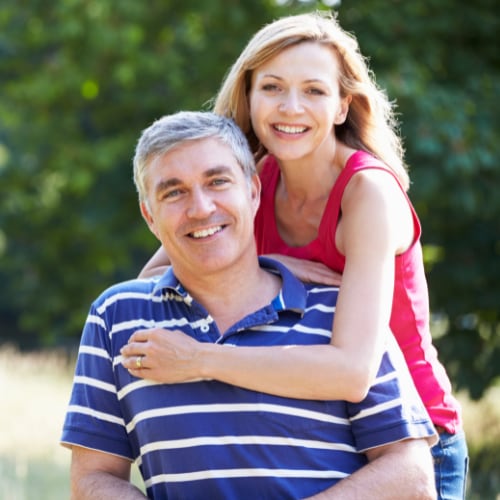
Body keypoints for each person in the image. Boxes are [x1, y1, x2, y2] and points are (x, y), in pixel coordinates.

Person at [131, 12, 468, 499]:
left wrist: (202, 359)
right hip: (314, 424)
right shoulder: (252, 181)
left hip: (407, 441)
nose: (291, 108)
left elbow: (353, 372)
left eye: (313, 90)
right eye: (272, 87)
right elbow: (154, 283)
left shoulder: (367, 193)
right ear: (249, 97)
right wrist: (279, 266)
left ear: (340, 106)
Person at [61, 111, 438, 499]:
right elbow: (93, 479)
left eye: (217, 181)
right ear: (149, 216)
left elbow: (411, 475)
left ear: (254, 192)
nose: (201, 208)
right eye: (174, 192)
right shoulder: (117, 316)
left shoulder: (342, 314)